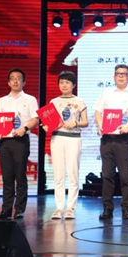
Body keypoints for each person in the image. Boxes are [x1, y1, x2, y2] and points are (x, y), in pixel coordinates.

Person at [94, 64, 128, 220]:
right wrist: (100, 124)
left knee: (125, 176)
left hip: (124, 138)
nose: (121, 76)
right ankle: (107, 208)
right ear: (114, 77)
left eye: (124, 74)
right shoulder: (106, 93)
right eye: (118, 74)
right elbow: (98, 112)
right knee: (107, 175)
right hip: (107, 138)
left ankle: (126, 209)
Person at [0, 68, 39, 220]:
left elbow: (35, 119)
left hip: (21, 140)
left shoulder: (30, 99)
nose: (15, 81)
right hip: (5, 141)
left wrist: (24, 129)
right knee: (7, 177)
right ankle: (6, 209)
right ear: (8, 82)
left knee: (20, 175)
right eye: (12, 78)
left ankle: (19, 209)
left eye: (19, 78)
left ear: (24, 82)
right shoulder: (2, 100)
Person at [44, 71, 88, 220]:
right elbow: (48, 123)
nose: (64, 85)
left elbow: (85, 122)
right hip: (57, 138)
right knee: (58, 174)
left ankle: (70, 208)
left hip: (73, 138)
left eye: (67, 82)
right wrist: (46, 126)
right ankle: (58, 207)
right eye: (61, 82)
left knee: (73, 173)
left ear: (73, 85)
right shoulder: (53, 102)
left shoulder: (80, 101)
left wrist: (75, 123)